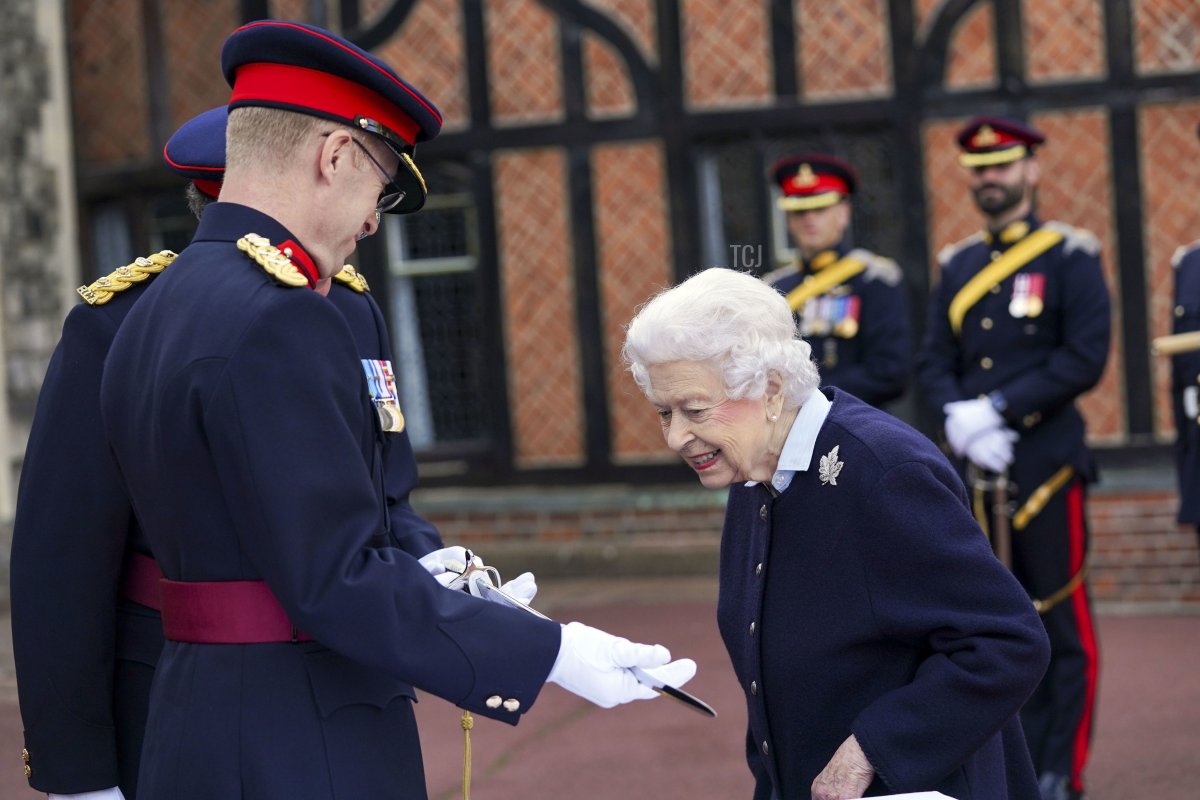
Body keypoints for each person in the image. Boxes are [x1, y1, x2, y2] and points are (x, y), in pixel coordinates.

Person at [97, 20, 693, 799]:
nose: (375, 219)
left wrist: (432, 571)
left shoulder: (152, 305)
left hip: (195, 713)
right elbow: (333, 575)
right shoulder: (281, 314)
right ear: (335, 155)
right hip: (296, 733)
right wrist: (551, 652)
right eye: (381, 186)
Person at [11, 99, 525, 799]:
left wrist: (427, 561)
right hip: (178, 675)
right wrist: (77, 769)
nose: (370, 220)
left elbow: (381, 492)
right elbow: (62, 555)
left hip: (344, 675)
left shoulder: (346, 306)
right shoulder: (121, 320)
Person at [622, 266, 1050, 800]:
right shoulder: (752, 470)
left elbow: (1006, 642)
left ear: (771, 390)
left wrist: (871, 750)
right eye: (665, 412)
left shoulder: (884, 472)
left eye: (695, 409)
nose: (676, 436)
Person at [915, 116, 1110, 800]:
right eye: (979, 168)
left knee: (1061, 620)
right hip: (973, 471)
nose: (990, 178)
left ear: (1031, 169)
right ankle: (1010, 764)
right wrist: (957, 420)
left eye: (1003, 165)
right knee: (986, 624)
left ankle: (1063, 771)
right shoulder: (958, 264)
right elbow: (934, 359)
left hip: (1047, 470)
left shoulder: (1071, 257)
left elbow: (1085, 355)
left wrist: (998, 408)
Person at [762, 154, 910, 407]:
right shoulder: (775, 288)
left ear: (843, 213)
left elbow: (889, 372)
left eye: (819, 209)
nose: (809, 219)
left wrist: (808, 395)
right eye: (798, 211)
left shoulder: (873, 279)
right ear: (787, 219)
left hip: (853, 421)